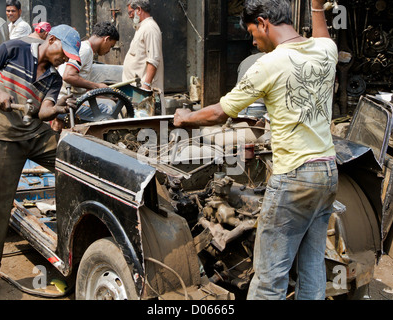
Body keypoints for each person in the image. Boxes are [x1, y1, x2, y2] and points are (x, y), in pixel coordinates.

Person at [174, 0, 338, 300]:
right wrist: (316, 7)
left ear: (263, 23)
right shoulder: (326, 51)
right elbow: (322, 33)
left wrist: (186, 118)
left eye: (252, 31)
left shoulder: (269, 64)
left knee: (268, 278)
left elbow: (219, 114)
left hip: (294, 178)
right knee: (313, 265)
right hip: (327, 172)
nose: (252, 40)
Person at [0, 24, 79, 300]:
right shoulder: (14, 49)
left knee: (75, 165)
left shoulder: (54, 78)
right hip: (1, 135)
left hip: (34, 134)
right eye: (63, 53)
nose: (64, 60)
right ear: (50, 40)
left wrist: (60, 107)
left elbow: (43, 112)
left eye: (69, 58)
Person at [51, 21, 119, 131]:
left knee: (108, 101)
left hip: (64, 97)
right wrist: (97, 86)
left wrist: (103, 95)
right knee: (110, 107)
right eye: (110, 46)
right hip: (65, 101)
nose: (108, 51)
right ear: (106, 39)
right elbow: (68, 76)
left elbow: (80, 85)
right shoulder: (85, 50)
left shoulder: (84, 48)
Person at [123, 0, 164, 112]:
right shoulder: (141, 28)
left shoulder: (150, 28)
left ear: (139, 10)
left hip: (142, 92)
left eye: (131, 12)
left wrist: (145, 86)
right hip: (136, 90)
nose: (130, 16)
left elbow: (153, 59)